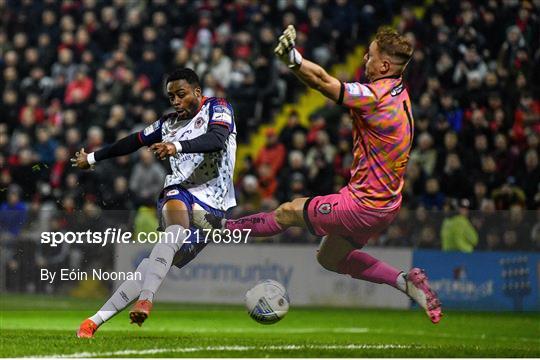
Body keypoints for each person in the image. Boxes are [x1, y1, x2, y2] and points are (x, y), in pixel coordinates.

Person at [193, 26, 442, 323]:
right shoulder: (400, 92)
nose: (364, 59)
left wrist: (293, 59)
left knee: (288, 211)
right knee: (330, 258)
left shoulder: (375, 96)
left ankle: (219, 226)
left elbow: (324, 82)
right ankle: (405, 281)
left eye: (371, 56)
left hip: (363, 205)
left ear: (385, 66)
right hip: (385, 204)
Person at [71, 68, 237, 338]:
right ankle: (146, 300)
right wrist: (91, 158)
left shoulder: (218, 107)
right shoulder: (167, 124)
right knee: (175, 230)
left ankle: (93, 320)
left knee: (153, 265)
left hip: (215, 204)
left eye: (181, 94)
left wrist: (176, 147)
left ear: (197, 92)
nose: (175, 101)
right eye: (171, 96)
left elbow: (217, 140)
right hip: (180, 189)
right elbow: (132, 142)